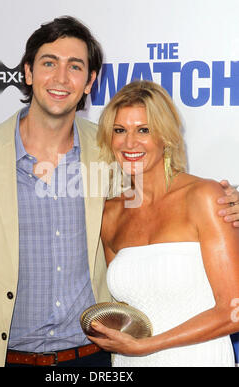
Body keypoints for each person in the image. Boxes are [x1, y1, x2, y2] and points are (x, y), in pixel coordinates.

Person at [0, 17, 238, 367]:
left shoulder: (110, 154)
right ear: (28, 72)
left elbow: (166, 194)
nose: (61, 78)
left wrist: (231, 201)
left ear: (90, 81)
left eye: (75, 67)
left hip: (92, 359)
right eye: (49, 63)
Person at [87, 80, 239, 367]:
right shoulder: (111, 213)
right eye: (120, 130)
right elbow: (127, 309)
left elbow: (234, 312)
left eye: (144, 130)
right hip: (129, 362)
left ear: (166, 137)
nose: (130, 142)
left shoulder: (204, 197)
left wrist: (148, 346)